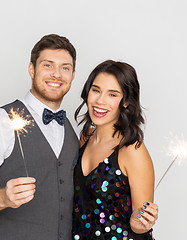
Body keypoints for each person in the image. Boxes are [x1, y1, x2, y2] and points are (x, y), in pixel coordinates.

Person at [0, 34, 80, 239]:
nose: (56, 74)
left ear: (73, 75)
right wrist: (3, 197)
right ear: (31, 69)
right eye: (47, 65)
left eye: (65, 68)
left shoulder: (75, 129)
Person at [72, 60, 158, 239]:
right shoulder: (85, 137)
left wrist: (139, 223)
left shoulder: (132, 150)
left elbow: (141, 223)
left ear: (126, 102)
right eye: (96, 90)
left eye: (112, 94)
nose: (100, 101)